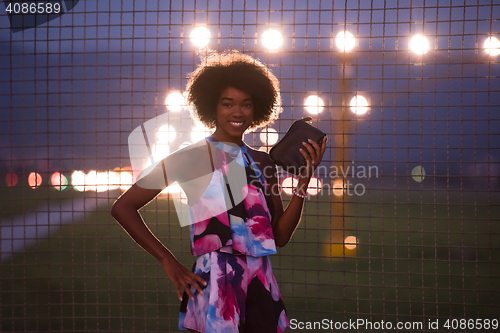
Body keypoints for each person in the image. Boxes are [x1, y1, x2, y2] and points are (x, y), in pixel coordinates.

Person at [111, 50, 327, 333]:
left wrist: (303, 180)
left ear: (257, 108)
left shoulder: (263, 162)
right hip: (213, 286)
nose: (237, 112)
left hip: (261, 285)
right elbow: (123, 207)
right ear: (212, 106)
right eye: (228, 104)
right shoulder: (188, 158)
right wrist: (168, 260)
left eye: (246, 105)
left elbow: (281, 237)